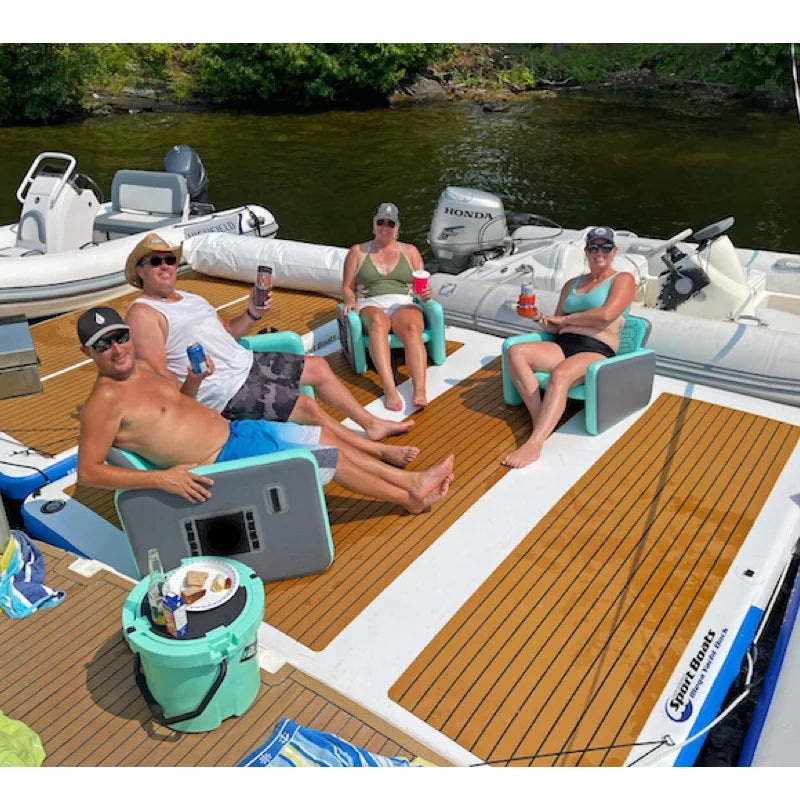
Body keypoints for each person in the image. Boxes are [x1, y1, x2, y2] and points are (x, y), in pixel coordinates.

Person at [75, 307, 455, 515]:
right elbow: (89, 472)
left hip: (238, 431)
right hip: (221, 459)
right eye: (104, 344)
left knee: (326, 438)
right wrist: (162, 479)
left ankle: (412, 481)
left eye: (120, 336)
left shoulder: (143, 367)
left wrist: (193, 380)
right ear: (87, 352)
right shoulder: (104, 402)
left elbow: (178, 406)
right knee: (328, 459)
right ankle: (409, 495)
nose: (117, 348)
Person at [123, 232, 418, 471]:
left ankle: (370, 424)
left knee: (318, 366)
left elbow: (227, 330)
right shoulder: (144, 313)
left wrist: (253, 312)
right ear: (140, 270)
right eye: (155, 261)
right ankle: (374, 450)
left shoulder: (189, 296)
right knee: (306, 406)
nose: (165, 266)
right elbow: (158, 377)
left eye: (170, 260)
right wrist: (192, 385)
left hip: (246, 363)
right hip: (223, 390)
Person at [502, 226, 636, 468]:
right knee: (516, 352)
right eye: (594, 247)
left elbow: (606, 315)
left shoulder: (623, 279)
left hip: (595, 349)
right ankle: (540, 420)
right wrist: (537, 317)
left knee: (561, 374)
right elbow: (555, 326)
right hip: (564, 344)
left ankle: (535, 443)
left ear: (614, 251)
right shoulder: (571, 284)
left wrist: (566, 320)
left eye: (605, 247)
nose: (599, 252)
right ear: (586, 251)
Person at [341, 202, 432, 412]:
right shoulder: (357, 251)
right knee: (377, 322)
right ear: (373, 224)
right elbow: (346, 287)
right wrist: (351, 301)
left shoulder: (410, 251)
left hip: (402, 301)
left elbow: (421, 286)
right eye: (380, 222)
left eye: (390, 223)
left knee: (411, 327)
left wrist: (425, 293)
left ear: (397, 227)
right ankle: (389, 388)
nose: (385, 227)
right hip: (370, 302)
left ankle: (419, 390)